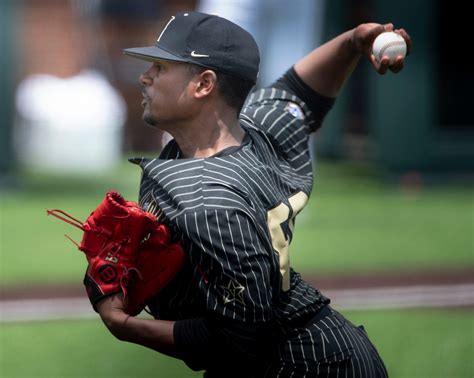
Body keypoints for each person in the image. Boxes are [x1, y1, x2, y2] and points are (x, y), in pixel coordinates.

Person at [95, 11, 411, 377]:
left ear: (204, 84)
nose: (144, 77)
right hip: (323, 349)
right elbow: (302, 92)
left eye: (161, 67)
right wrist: (353, 41)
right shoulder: (257, 128)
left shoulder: (208, 203)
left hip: (304, 365)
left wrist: (125, 326)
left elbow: (239, 339)